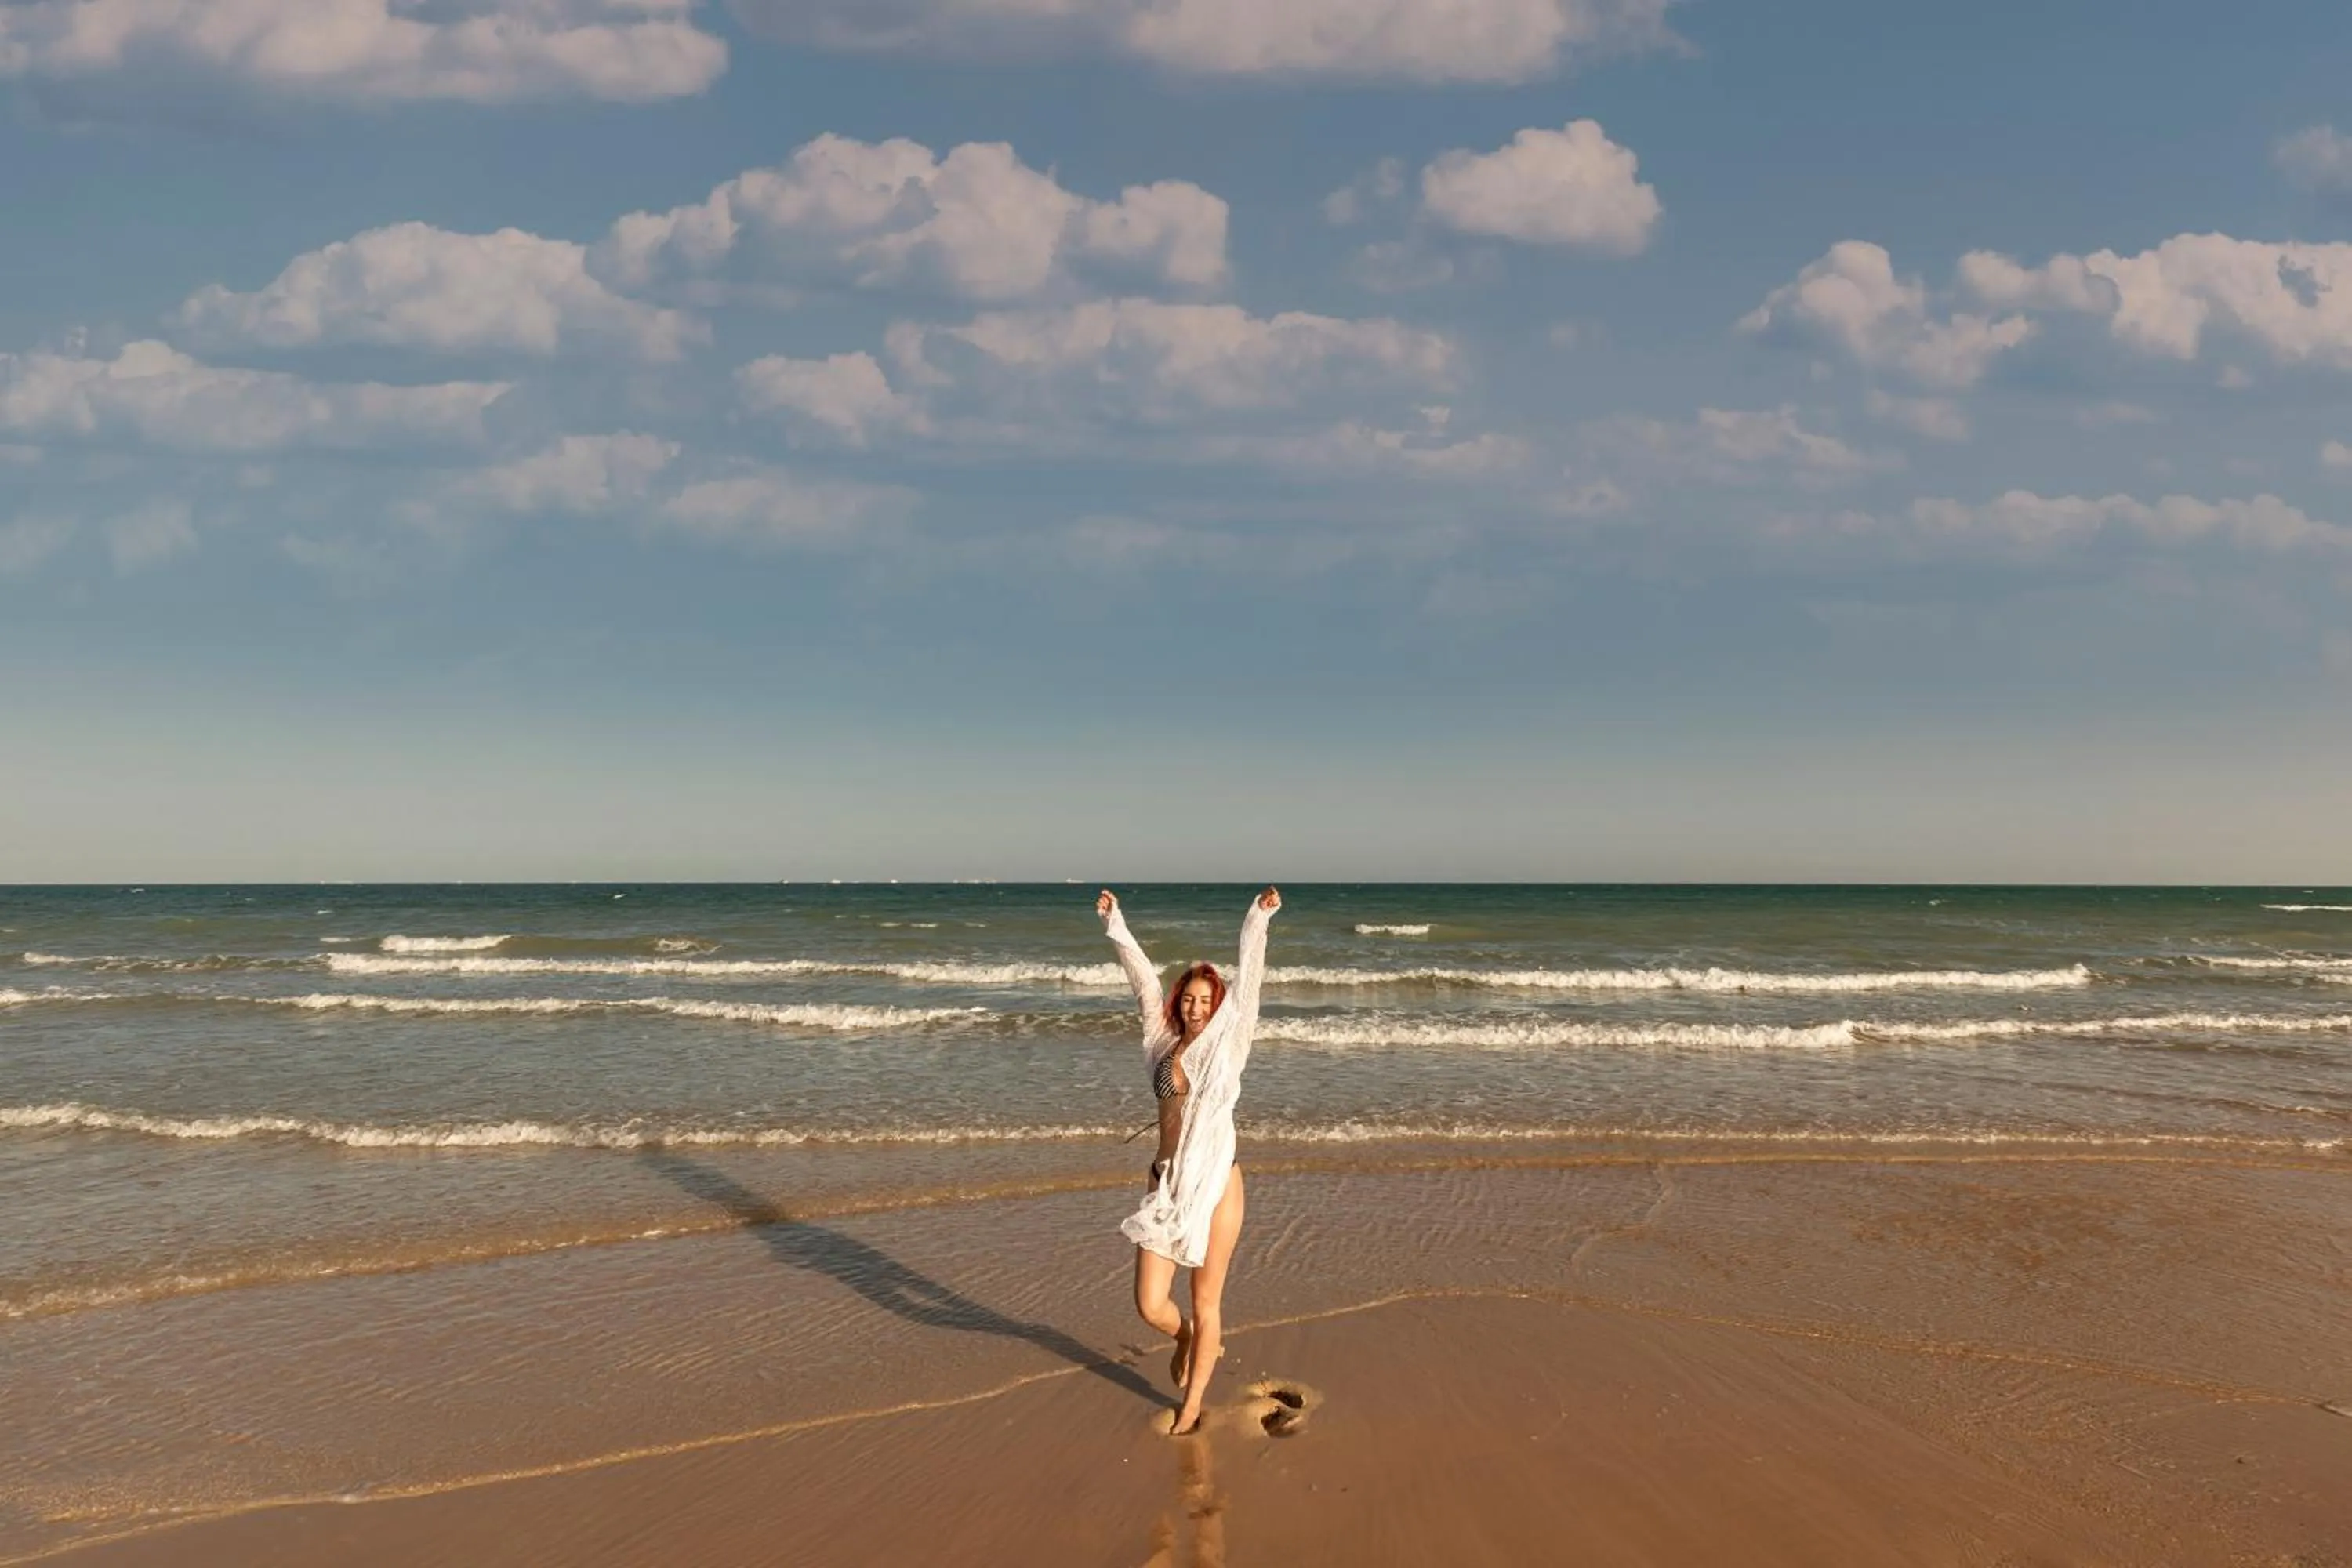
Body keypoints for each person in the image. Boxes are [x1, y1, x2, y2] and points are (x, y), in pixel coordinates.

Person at [1095, 885, 1280, 1436]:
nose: (1196, 1009)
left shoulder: (1231, 1041)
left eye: (1206, 1001)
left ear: (1217, 1006)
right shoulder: (1161, 1041)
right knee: (1151, 1304)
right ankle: (1183, 1339)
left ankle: (1193, 1405)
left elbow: (1251, 981)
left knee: (1207, 1301)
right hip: (1166, 1182)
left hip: (1219, 1185)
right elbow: (1143, 982)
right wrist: (1116, 924)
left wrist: (1258, 919)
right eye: (1190, 1000)